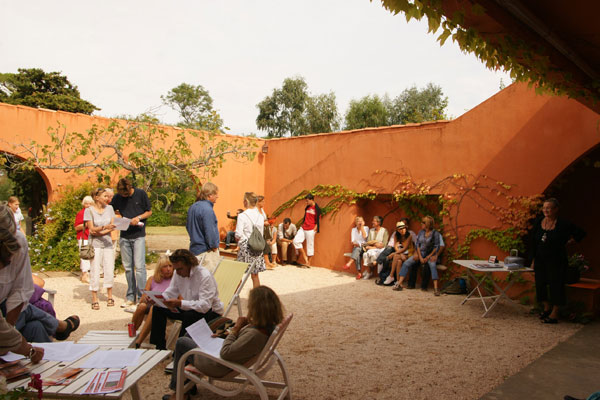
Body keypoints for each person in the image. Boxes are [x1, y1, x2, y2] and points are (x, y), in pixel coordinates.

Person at [163, 285, 284, 400]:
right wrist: (234, 330)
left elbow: (226, 353)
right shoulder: (266, 326)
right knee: (191, 335)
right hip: (225, 356)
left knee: (182, 342)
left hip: (217, 365)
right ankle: (187, 386)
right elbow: (240, 341)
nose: (248, 309)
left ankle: (178, 391)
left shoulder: (254, 335)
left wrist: (236, 329)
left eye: (250, 306)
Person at [0, 204, 79, 344]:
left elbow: (21, 289)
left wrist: (11, 331)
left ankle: (54, 361)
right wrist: (9, 339)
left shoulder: (17, 240)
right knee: (30, 318)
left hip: (8, 313)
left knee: (35, 327)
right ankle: (60, 327)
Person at [149, 249, 222, 350]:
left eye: (179, 269)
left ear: (189, 264)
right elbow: (172, 290)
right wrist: (159, 299)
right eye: (176, 269)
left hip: (210, 312)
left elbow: (205, 306)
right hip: (188, 308)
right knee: (158, 309)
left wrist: (180, 303)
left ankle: (180, 351)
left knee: (189, 315)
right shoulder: (178, 273)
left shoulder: (204, 276)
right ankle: (159, 346)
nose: (177, 272)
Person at [527, 198, 585, 324]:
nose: (546, 210)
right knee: (540, 284)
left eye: (548, 208)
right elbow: (533, 242)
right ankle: (547, 307)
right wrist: (532, 260)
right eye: (544, 208)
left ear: (556, 209)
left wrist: (568, 242)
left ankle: (555, 313)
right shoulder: (539, 222)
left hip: (556, 260)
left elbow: (580, 234)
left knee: (556, 285)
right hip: (540, 259)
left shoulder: (564, 224)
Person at [111, 178, 152, 308]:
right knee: (128, 268)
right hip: (124, 235)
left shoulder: (141, 193)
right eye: (122, 194)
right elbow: (114, 210)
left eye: (126, 194)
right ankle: (130, 296)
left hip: (138, 235)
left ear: (130, 189)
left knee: (140, 267)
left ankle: (142, 297)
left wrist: (138, 218)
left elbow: (149, 211)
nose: (124, 196)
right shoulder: (117, 197)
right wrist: (120, 218)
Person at [130, 254, 174, 348]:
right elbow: (142, 297)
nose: (168, 269)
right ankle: (132, 332)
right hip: (151, 304)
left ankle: (139, 340)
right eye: (165, 266)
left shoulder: (175, 280)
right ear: (159, 268)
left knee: (154, 308)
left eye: (170, 266)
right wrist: (146, 297)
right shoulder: (152, 279)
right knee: (142, 306)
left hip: (164, 307)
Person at [85, 188, 117, 310]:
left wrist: (102, 231)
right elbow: (91, 229)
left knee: (109, 269)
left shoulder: (110, 209)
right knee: (94, 270)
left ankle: (109, 296)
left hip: (108, 243)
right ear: (97, 197)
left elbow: (113, 226)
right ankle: (94, 297)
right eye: (105, 196)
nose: (107, 198)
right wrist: (104, 228)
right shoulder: (89, 211)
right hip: (95, 244)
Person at [395, 216, 442, 295]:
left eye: (423, 222)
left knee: (432, 265)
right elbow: (417, 245)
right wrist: (419, 256)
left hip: (431, 254)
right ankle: (399, 284)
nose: (421, 224)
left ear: (427, 224)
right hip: (421, 253)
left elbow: (436, 247)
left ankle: (436, 288)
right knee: (406, 263)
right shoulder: (421, 232)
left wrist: (428, 257)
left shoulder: (435, 233)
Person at [186, 182, 220, 273]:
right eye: (216, 194)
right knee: (209, 282)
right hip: (206, 252)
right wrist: (214, 246)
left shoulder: (193, 207)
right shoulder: (208, 210)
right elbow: (210, 231)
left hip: (194, 250)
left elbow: (188, 227)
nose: (217, 196)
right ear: (210, 195)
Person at [236, 192, 266, 288]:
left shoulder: (242, 216)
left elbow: (238, 234)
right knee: (255, 275)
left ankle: (235, 298)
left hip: (246, 247)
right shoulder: (261, 216)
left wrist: (238, 243)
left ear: (246, 201)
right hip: (257, 247)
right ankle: (257, 298)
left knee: (238, 274)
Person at [292, 193, 321, 267]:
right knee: (296, 241)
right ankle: (305, 257)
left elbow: (318, 219)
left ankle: (309, 263)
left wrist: (315, 228)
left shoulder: (317, 209)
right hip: (303, 227)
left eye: (307, 201)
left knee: (310, 245)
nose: (306, 202)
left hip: (311, 229)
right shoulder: (307, 207)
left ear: (312, 200)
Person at [74, 195, 94, 284]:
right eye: (86, 203)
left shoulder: (93, 213)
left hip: (92, 237)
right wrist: (86, 224)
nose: (88, 205)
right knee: (85, 256)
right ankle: (85, 274)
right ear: (83, 204)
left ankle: (86, 274)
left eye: (90, 203)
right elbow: (77, 227)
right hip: (83, 237)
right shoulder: (81, 213)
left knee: (91, 256)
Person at [258, 196, 276, 270]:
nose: (264, 203)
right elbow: (255, 221)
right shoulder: (256, 210)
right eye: (262, 201)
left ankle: (267, 262)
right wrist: (263, 222)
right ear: (258, 202)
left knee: (266, 245)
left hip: (264, 231)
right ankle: (267, 262)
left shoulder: (262, 210)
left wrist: (268, 222)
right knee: (265, 246)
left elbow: (264, 219)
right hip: (259, 231)